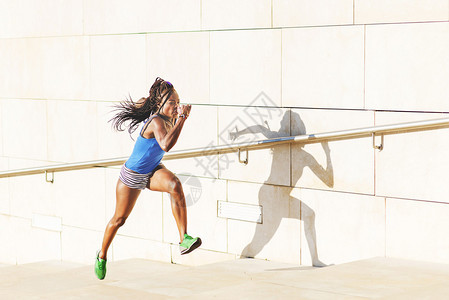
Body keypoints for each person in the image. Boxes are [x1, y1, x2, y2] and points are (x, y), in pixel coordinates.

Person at [95, 77, 201, 280]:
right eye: (172, 103)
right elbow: (165, 145)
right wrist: (183, 119)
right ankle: (101, 256)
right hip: (132, 176)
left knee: (175, 184)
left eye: (177, 102)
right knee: (119, 220)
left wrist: (164, 109)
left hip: (153, 170)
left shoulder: (165, 115)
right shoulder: (157, 121)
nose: (176, 106)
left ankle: (184, 239)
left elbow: (147, 103)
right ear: (160, 105)